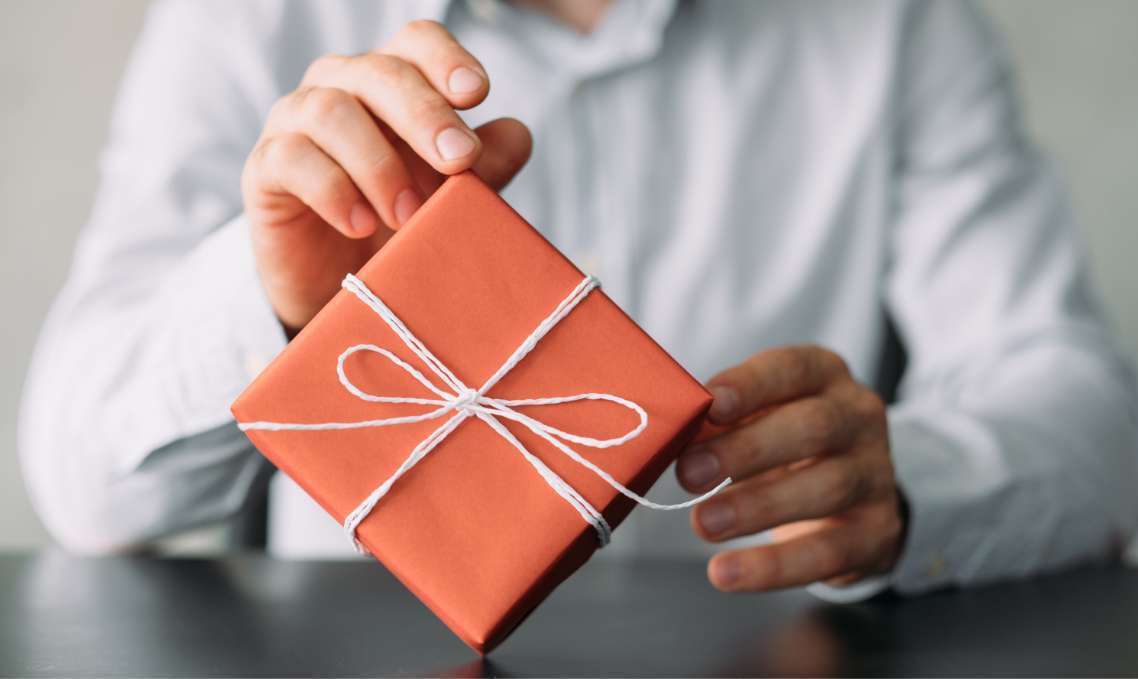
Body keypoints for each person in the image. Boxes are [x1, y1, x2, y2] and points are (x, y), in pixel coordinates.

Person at [18, 0, 1138, 602]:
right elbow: (78, 482)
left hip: (763, 649)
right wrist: (267, 305)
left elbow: (1089, 417)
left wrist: (906, 488)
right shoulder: (245, 17)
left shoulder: (896, 24)